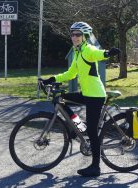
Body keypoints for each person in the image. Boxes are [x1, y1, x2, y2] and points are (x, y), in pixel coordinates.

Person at [42, 21, 120, 177]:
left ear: (84, 36)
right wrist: (51, 79)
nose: (74, 37)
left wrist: (107, 53)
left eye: (78, 34)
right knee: (60, 98)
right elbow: (70, 74)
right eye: (72, 34)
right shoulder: (77, 52)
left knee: (92, 132)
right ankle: (76, 127)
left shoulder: (87, 50)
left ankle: (95, 167)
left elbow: (97, 53)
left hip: (96, 96)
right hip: (87, 94)